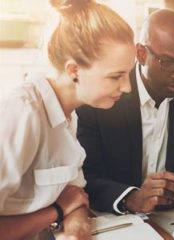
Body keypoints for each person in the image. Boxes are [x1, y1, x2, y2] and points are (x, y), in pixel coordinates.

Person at [0, 0, 135, 239]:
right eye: (116, 76)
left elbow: (76, 197)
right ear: (74, 70)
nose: (126, 87)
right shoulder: (21, 113)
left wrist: (75, 230)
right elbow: (66, 203)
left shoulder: (69, 115)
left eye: (128, 74)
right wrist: (56, 211)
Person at [76, 9, 174, 214]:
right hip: (113, 216)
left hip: (168, 215)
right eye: (168, 63)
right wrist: (130, 197)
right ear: (141, 54)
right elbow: (85, 175)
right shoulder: (105, 93)